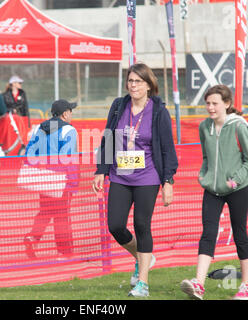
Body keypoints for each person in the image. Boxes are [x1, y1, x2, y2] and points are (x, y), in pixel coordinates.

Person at [92, 63, 178, 297]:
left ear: (149, 85)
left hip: (147, 176)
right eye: (130, 81)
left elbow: (168, 149)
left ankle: (143, 284)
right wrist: (101, 169)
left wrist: (167, 181)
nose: (133, 85)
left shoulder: (159, 111)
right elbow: (108, 138)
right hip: (120, 175)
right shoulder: (119, 106)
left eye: (138, 81)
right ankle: (142, 258)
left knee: (142, 225)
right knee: (115, 225)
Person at [180, 84, 248, 300]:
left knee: (239, 233)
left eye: (215, 103)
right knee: (208, 233)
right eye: (208, 103)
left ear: (227, 104)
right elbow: (206, 157)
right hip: (212, 190)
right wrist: (203, 176)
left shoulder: (238, 127)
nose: (210, 108)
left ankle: (247, 286)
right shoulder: (204, 127)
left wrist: (236, 181)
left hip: (236, 189)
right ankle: (199, 284)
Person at [23, 99, 79, 259]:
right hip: (63, 180)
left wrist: (35, 172)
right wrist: (73, 182)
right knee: (62, 216)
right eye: (70, 110)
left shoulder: (40, 128)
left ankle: (32, 237)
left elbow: (29, 153)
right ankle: (65, 251)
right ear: (65, 113)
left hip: (45, 178)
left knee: (45, 212)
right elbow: (70, 159)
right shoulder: (69, 130)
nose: (72, 114)